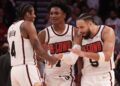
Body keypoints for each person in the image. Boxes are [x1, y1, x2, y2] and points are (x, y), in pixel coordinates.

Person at [7, 3, 57, 86]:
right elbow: (38, 48)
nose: (35, 16)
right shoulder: (28, 24)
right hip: (26, 68)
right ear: (27, 13)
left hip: (14, 71)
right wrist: (50, 59)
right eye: (33, 13)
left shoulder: (11, 28)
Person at [38, 0, 81, 86]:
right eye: (51, 13)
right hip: (49, 79)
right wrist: (45, 57)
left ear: (64, 15)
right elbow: (36, 58)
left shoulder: (75, 32)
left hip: (67, 78)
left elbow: (78, 58)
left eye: (56, 13)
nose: (53, 16)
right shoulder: (43, 34)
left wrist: (80, 76)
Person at [68, 13, 115, 86]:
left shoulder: (106, 31)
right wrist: (79, 77)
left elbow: (107, 56)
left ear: (90, 24)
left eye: (82, 27)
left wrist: (83, 53)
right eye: (78, 27)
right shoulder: (79, 35)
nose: (79, 30)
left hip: (104, 75)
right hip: (87, 76)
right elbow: (79, 59)